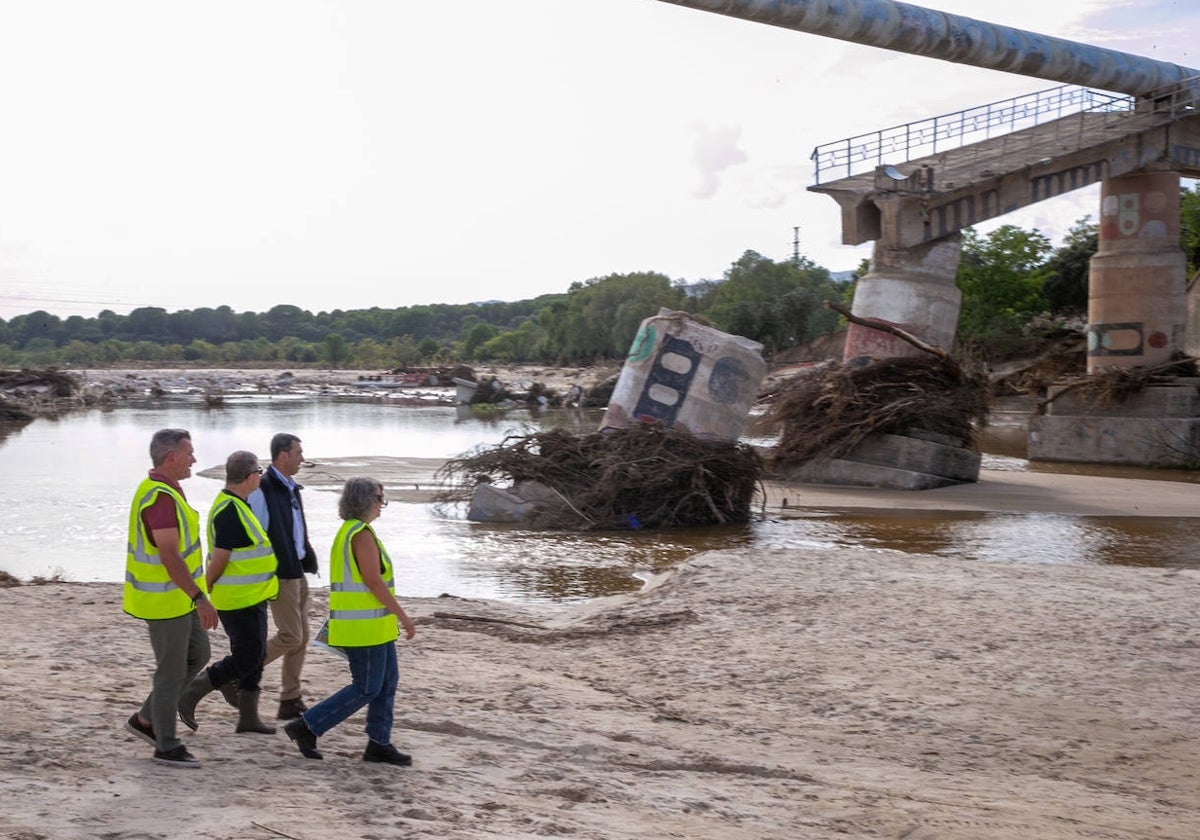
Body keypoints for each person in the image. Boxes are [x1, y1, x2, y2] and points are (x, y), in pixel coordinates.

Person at [284, 477, 416, 765]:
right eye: (380, 498)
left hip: (375, 627)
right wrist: (403, 616)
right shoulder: (360, 534)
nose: (383, 504)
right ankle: (307, 726)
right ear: (366, 500)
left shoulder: (355, 531)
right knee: (367, 687)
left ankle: (378, 744)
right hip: (362, 629)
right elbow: (373, 581)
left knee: (387, 682)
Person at [122, 428, 218, 768]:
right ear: (171, 457)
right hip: (165, 600)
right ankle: (166, 744)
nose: (194, 459)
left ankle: (146, 719)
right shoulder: (160, 498)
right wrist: (200, 597)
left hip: (179, 597)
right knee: (170, 671)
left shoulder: (168, 491)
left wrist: (195, 596)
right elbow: (169, 556)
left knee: (199, 654)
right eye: (189, 453)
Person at [177, 451, 279, 735]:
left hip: (252, 596)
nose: (261, 475)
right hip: (236, 600)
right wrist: (203, 595)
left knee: (255, 656)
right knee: (247, 657)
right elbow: (220, 559)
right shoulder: (230, 511)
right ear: (250, 477)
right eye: (259, 471)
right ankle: (193, 691)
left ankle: (248, 718)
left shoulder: (239, 505)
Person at [248, 432, 318, 720]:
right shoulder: (263, 488)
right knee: (291, 636)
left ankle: (289, 699)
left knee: (302, 637)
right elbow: (258, 533)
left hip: (298, 570)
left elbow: (296, 529)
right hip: (280, 573)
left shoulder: (291, 488)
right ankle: (242, 670)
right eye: (298, 452)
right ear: (283, 455)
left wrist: (307, 555)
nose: (302, 457)